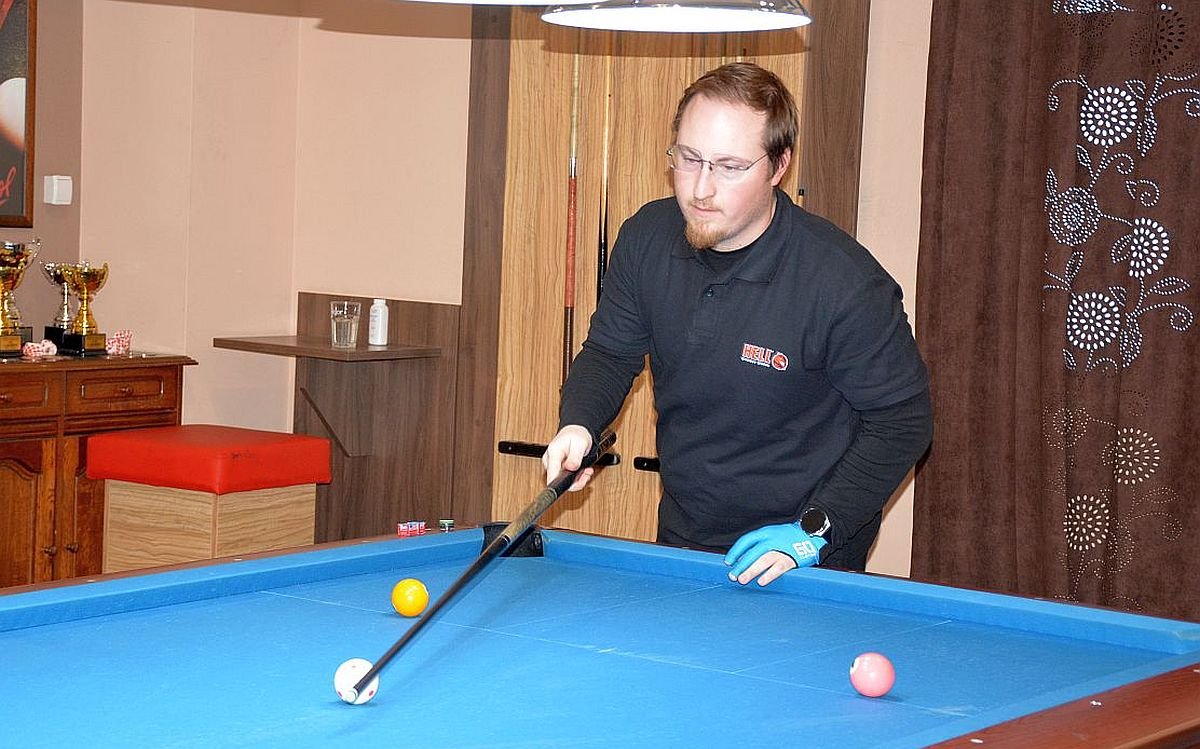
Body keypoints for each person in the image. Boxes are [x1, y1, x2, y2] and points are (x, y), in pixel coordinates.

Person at [542, 62, 932, 586]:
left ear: (778, 166)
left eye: (729, 167)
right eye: (689, 159)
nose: (701, 189)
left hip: (804, 552)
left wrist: (814, 531)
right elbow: (611, 353)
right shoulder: (647, 238)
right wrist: (580, 423)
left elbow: (903, 423)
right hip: (687, 536)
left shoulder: (843, 282)